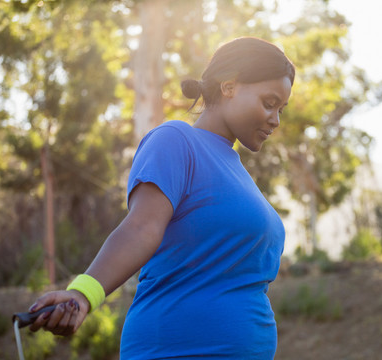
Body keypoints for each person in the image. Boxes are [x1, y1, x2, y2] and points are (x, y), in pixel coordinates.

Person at [28, 36, 295, 359]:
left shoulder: (238, 172)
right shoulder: (176, 141)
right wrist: (83, 294)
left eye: (281, 109)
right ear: (229, 86)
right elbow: (141, 228)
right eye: (269, 103)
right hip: (175, 349)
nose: (275, 120)